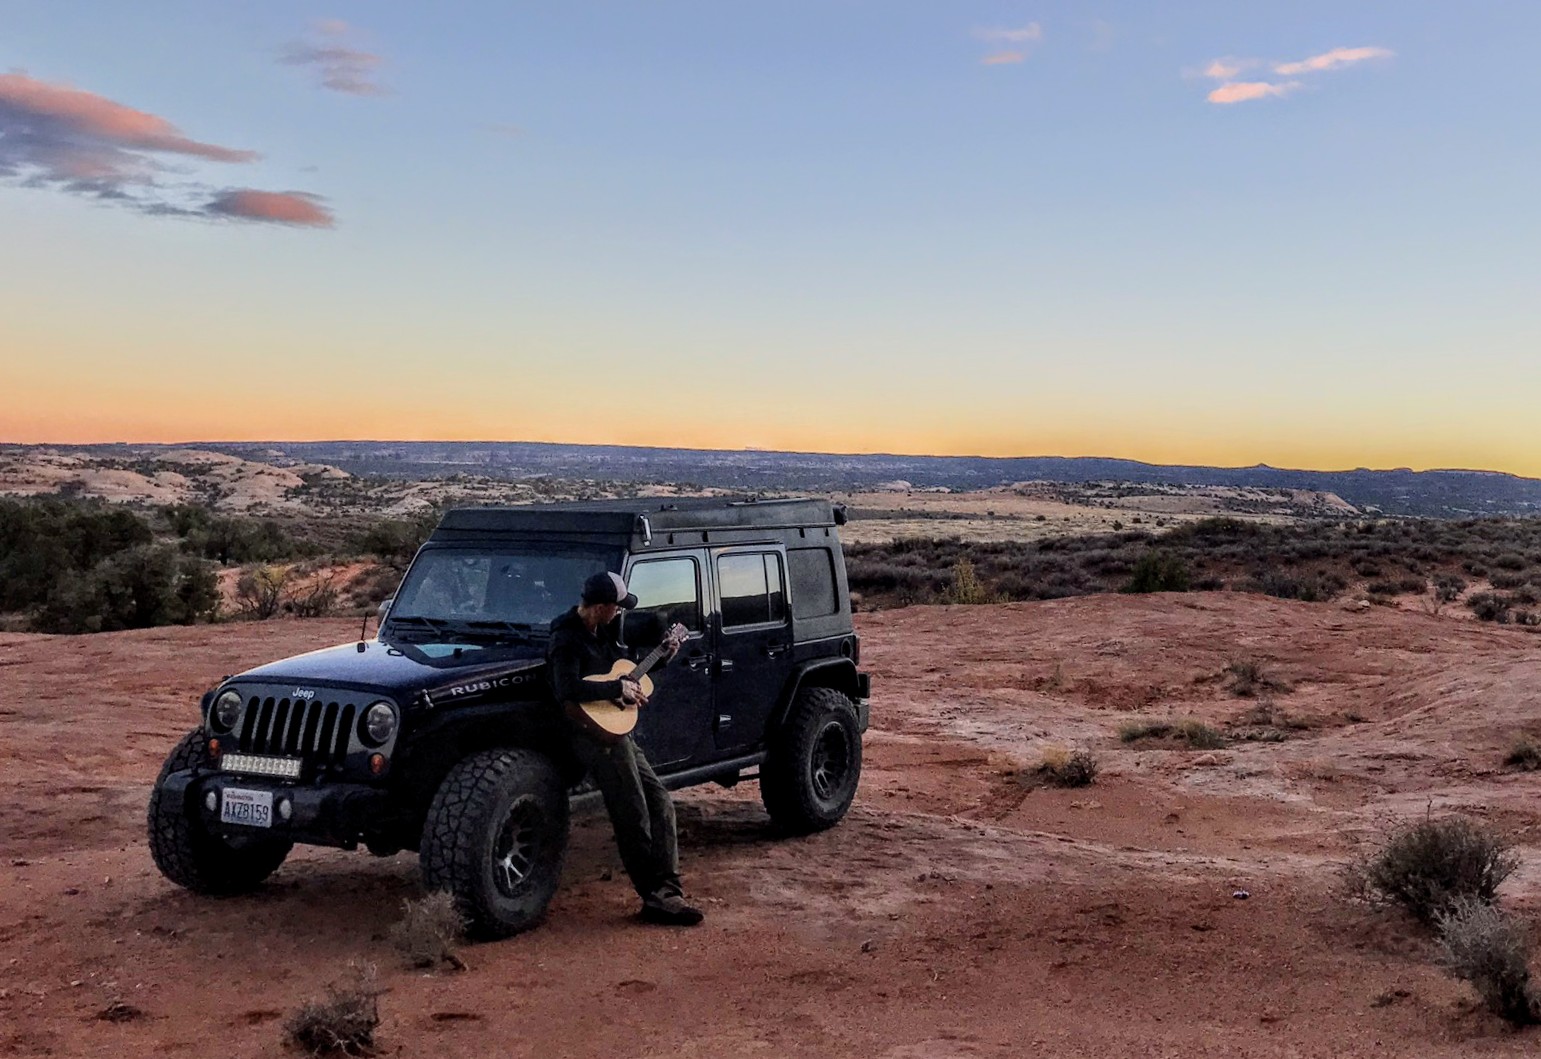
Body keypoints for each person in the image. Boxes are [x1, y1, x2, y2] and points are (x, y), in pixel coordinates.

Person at [546, 570, 704, 926]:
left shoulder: (602, 632)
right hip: (590, 735)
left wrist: (662, 656)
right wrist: (615, 690)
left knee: (660, 801)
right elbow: (566, 690)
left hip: (617, 730)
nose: (620, 613)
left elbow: (627, 673)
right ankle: (653, 896)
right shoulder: (566, 638)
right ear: (600, 607)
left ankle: (669, 889)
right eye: (616, 607)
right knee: (632, 812)